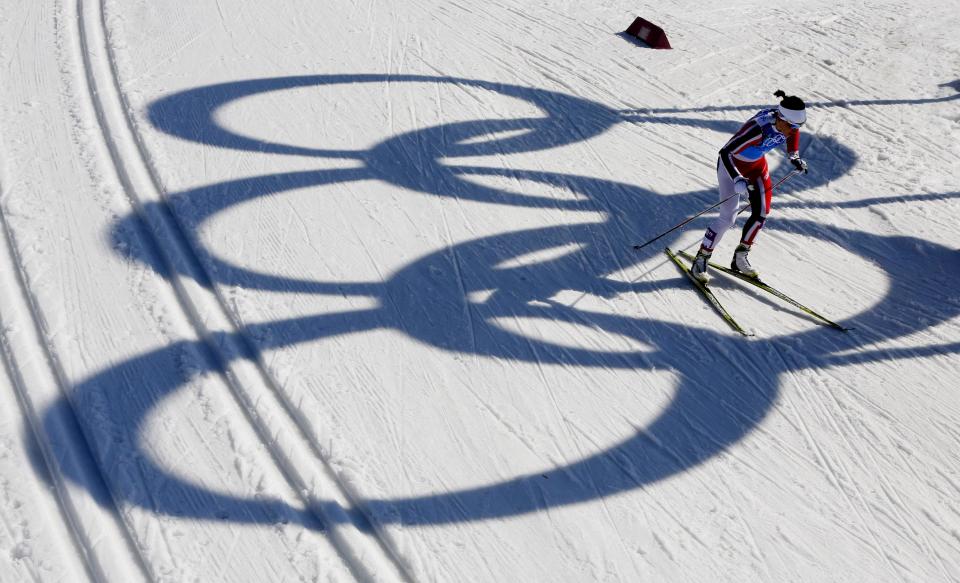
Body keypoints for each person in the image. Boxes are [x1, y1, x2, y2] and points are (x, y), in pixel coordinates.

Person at [690, 90, 809, 282]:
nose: (793, 130)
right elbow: (725, 153)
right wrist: (737, 178)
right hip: (732, 167)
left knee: (762, 212)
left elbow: (793, 134)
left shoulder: (788, 124)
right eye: (791, 126)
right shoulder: (758, 129)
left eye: (798, 126)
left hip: (756, 167)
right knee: (728, 218)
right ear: (780, 118)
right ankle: (701, 258)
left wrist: (793, 155)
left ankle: (740, 257)